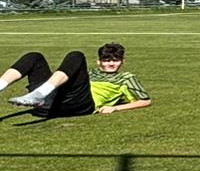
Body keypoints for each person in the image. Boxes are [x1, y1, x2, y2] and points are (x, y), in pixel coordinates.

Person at [3, 43, 151, 118]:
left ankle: (40, 93)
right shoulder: (89, 73)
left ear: (122, 61)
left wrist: (116, 108)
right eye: (106, 60)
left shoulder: (125, 78)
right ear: (99, 62)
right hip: (49, 105)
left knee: (76, 55)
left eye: (115, 60)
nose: (111, 64)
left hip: (81, 105)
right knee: (34, 56)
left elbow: (145, 100)